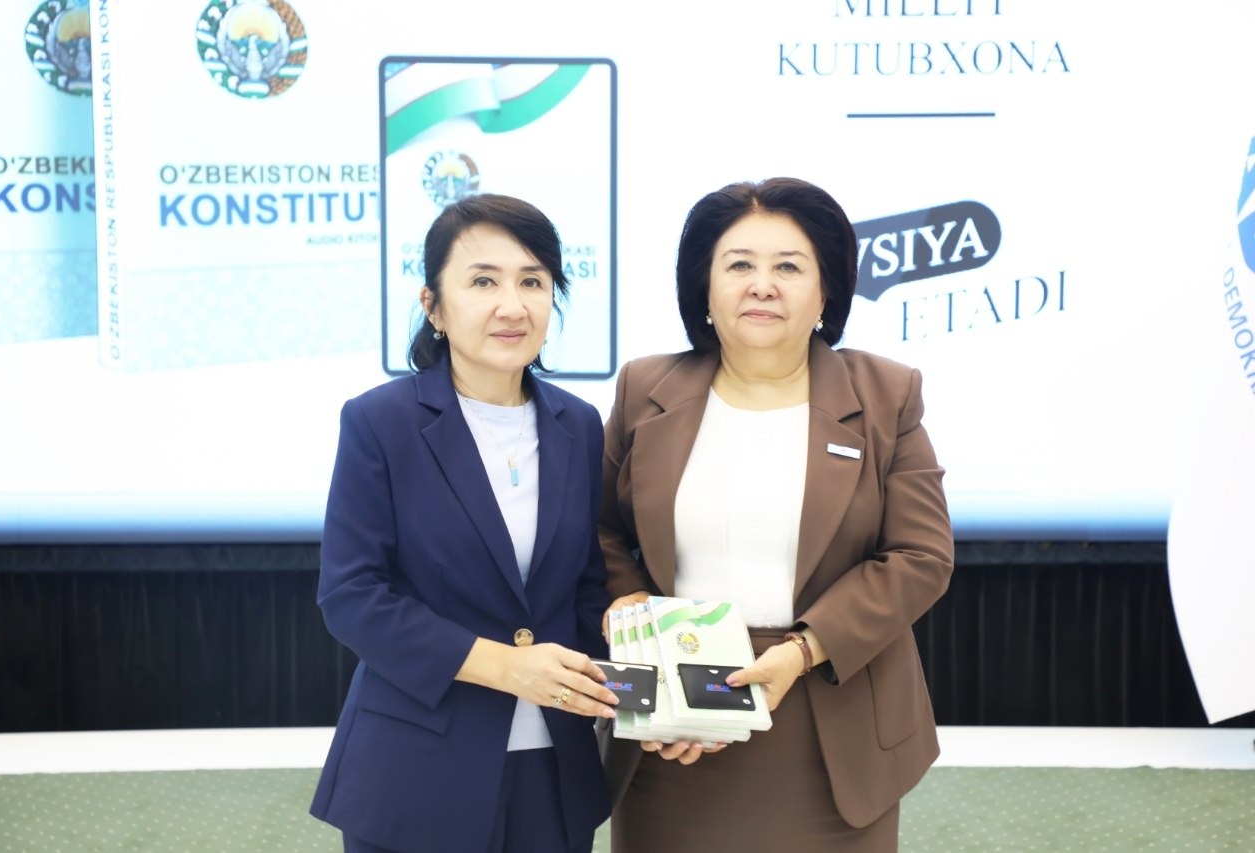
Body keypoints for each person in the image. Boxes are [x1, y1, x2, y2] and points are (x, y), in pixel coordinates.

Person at [598, 177, 954, 852]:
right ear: (704, 288)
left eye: (788, 267)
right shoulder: (644, 389)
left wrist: (802, 650)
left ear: (826, 293)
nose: (762, 286)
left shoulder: (886, 395)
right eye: (739, 265)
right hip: (675, 715)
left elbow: (921, 556)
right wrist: (629, 599)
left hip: (830, 714)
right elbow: (600, 529)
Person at [310, 193, 617, 853]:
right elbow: (352, 596)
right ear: (434, 306)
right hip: (417, 766)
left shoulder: (580, 424)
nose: (513, 305)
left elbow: (587, 588)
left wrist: (656, 693)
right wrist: (507, 667)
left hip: (554, 768)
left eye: (532, 282)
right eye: (483, 282)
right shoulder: (380, 422)